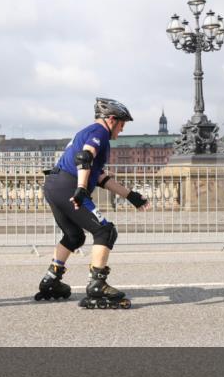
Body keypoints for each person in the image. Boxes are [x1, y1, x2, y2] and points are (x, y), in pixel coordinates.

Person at [37, 97, 149, 309]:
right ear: (112, 119)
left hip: (54, 185)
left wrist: (130, 195)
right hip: (68, 186)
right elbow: (84, 157)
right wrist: (80, 189)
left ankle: (52, 278)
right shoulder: (100, 133)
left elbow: (98, 177)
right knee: (105, 231)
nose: (122, 129)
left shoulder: (86, 131)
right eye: (122, 124)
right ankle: (97, 285)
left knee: (74, 236)